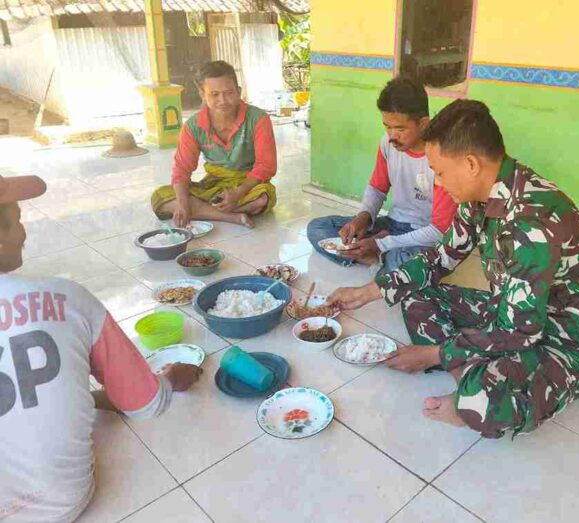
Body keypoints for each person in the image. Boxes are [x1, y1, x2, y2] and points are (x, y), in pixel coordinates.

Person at [327, 100, 579, 439]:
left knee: (481, 401)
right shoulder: (479, 197)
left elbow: (519, 331)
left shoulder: (530, 222)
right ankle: (469, 371)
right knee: (416, 297)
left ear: (470, 164)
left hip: (569, 342)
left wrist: (434, 354)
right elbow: (441, 258)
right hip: (514, 314)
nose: (438, 182)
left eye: (439, 172)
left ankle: (471, 385)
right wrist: (366, 293)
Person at [0, 175, 202, 522]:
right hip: (61, 501)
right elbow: (148, 404)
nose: (24, 232)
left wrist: (85, 396)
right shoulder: (67, 299)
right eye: (18, 220)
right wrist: (168, 379)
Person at [306, 77, 457, 276]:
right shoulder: (387, 143)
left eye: (400, 129)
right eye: (387, 126)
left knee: (417, 263)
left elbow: (439, 230)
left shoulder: (441, 155)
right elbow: (377, 188)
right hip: (392, 224)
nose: (392, 135)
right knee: (317, 228)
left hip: (424, 235)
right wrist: (364, 217)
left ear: (423, 123)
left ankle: (376, 257)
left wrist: (382, 243)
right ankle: (377, 260)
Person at [151, 60, 277, 229]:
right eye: (214, 94)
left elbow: (266, 166)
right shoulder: (193, 125)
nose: (223, 100)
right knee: (160, 196)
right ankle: (233, 216)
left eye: (229, 93)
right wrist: (182, 203)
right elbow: (182, 168)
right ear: (202, 95)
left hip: (248, 184)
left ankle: (206, 211)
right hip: (212, 185)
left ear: (239, 92)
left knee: (262, 197)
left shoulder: (258, 119)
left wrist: (238, 192)